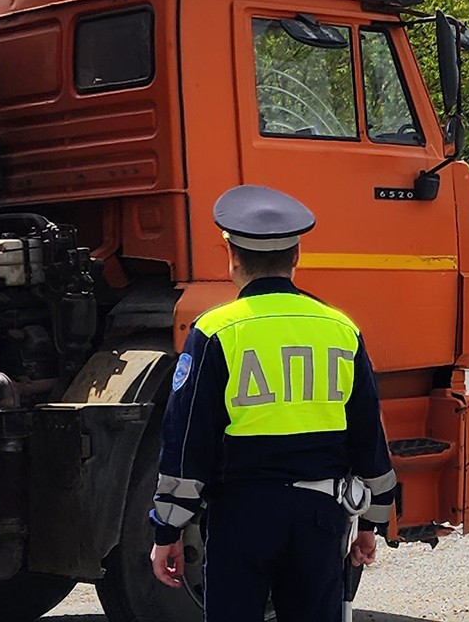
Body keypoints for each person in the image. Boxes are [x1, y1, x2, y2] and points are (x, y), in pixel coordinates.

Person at [148, 184, 396, 621]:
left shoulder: (215, 331)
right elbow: (369, 438)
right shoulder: (340, 329)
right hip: (321, 516)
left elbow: (186, 442)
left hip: (243, 517)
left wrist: (167, 528)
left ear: (233, 259)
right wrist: (371, 523)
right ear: (296, 258)